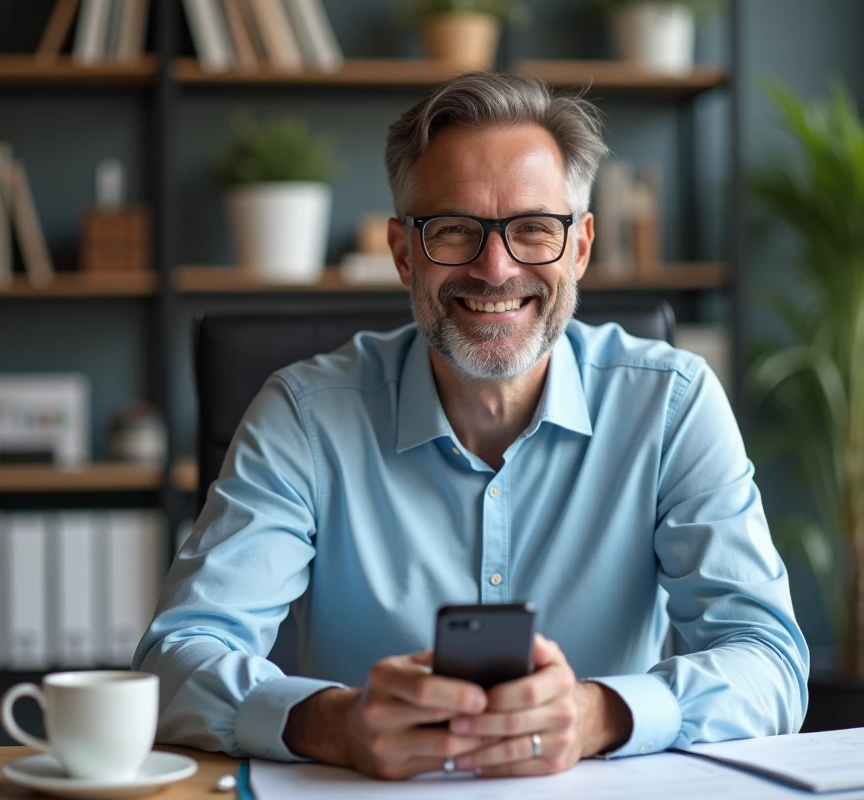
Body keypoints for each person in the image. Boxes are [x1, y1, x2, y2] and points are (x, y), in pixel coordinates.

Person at [134, 71, 809, 781]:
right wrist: (332, 723)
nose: (495, 268)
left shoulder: (672, 404)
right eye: (454, 230)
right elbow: (175, 659)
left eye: (534, 229)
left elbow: (768, 661)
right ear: (403, 253)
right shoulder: (303, 417)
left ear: (579, 248)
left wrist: (601, 715)